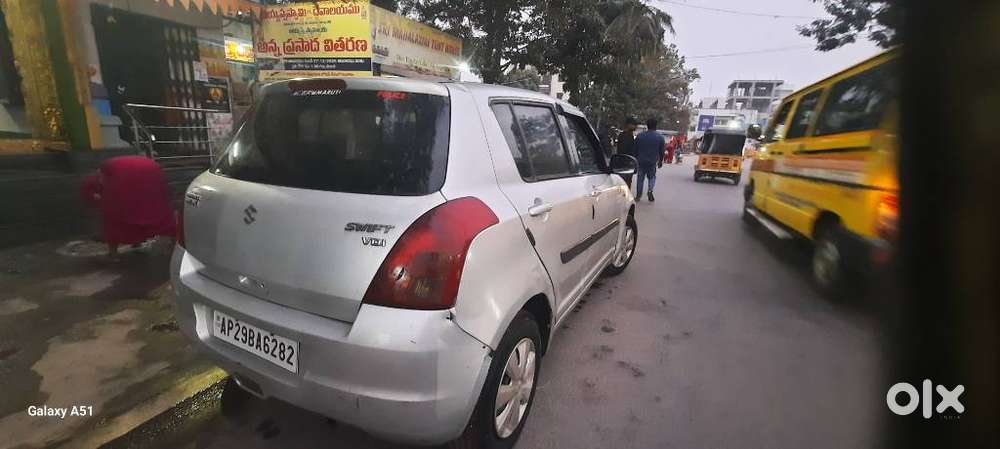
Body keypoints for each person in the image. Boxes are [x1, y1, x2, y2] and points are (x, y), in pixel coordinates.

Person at [81, 156, 176, 260]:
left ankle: (114, 254)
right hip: (151, 174)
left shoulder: (96, 177)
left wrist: (102, 200)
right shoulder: (109, 169)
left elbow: (101, 189)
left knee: (114, 220)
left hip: (130, 180)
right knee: (158, 214)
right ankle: (171, 246)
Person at [632, 118, 667, 202]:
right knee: (652, 177)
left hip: (641, 161)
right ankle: (650, 190)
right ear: (656, 126)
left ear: (647, 126)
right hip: (652, 162)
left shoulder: (640, 136)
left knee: (640, 179)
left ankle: (638, 196)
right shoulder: (660, 137)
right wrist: (660, 161)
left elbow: (635, 149)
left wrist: (634, 160)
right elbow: (661, 151)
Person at [616, 117, 639, 187]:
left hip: (627, 162)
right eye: (634, 124)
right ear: (628, 125)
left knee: (627, 182)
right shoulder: (625, 136)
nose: (636, 126)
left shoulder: (630, 135)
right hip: (625, 163)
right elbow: (623, 150)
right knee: (625, 183)